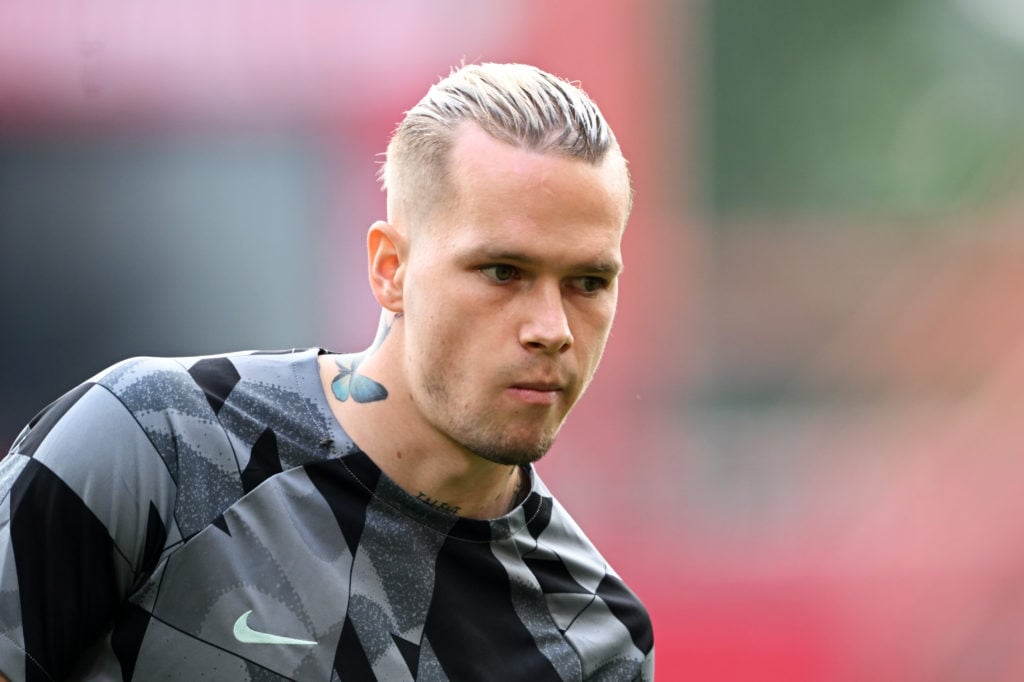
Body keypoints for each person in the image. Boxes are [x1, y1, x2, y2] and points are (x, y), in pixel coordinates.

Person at [0, 62, 654, 680]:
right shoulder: (154, 443)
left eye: (588, 282)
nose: (552, 329)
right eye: (502, 272)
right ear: (389, 270)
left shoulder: (593, 637)